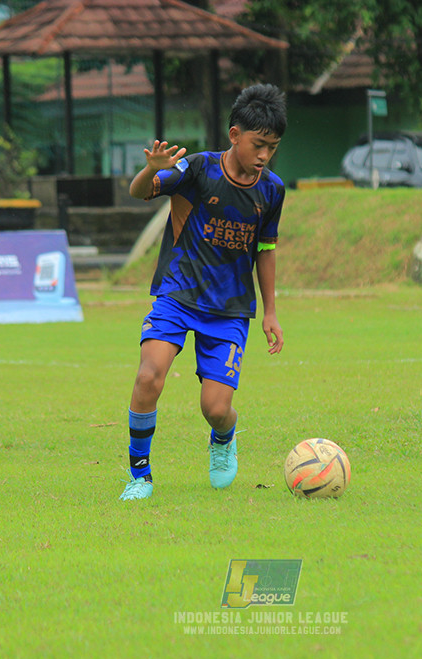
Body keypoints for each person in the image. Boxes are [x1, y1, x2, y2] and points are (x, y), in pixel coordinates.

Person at [119, 83, 287, 501]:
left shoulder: (272, 190)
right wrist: (150, 169)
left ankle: (224, 436)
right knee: (148, 376)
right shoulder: (197, 169)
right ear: (234, 135)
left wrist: (270, 312)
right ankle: (139, 475)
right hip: (178, 294)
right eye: (258, 144)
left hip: (229, 309)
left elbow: (265, 250)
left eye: (272, 147)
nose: (264, 155)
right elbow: (139, 192)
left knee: (214, 407)